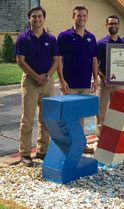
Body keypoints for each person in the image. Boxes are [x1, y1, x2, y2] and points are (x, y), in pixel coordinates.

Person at [15, 6, 59, 166]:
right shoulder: (22, 38)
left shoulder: (51, 39)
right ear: (29, 19)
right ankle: (25, 153)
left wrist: (47, 77)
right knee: (27, 119)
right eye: (34, 17)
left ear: (44, 19)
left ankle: (42, 151)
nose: (37, 19)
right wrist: (36, 77)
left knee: (46, 118)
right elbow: (20, 61)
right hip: (30, 83)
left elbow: (56, 60)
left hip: (47, 82)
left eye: (40, 16)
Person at [57, 5, 98, 153]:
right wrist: (61, 80)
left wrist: (96, 79)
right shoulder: (64, 36)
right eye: (78, 15)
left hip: (85, 83)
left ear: (87, 17)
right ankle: (67, 146)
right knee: (68, 115)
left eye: (84, 15)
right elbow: (59, 60)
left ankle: (80, 144)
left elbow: (94, 59)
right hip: (69, 83)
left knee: (80, 116)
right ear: (73, 17)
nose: (81, 18)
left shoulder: (91, 37)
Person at [96, 15, 124, 136]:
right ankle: (101, 136)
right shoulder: (100, 44)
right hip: (104, 82)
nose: (113, 26)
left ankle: (116, 135)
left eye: (115, 23)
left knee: (118, 110)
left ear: (119, 25)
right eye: (111, 24)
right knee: (101, 111)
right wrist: (102, 77)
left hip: (119, 84)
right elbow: (95, 64)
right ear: (106, 26)